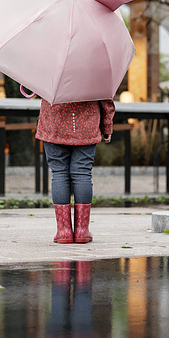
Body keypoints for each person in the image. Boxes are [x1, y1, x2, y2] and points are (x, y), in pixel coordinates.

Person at [36, 98, 114, 244]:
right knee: (82, 172)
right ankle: (82, 231)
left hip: (54, 122)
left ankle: (63, 232)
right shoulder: (95, 73)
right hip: (87, 123)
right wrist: (107, 126)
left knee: (59, 173)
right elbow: (106, 97)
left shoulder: (50, 73)